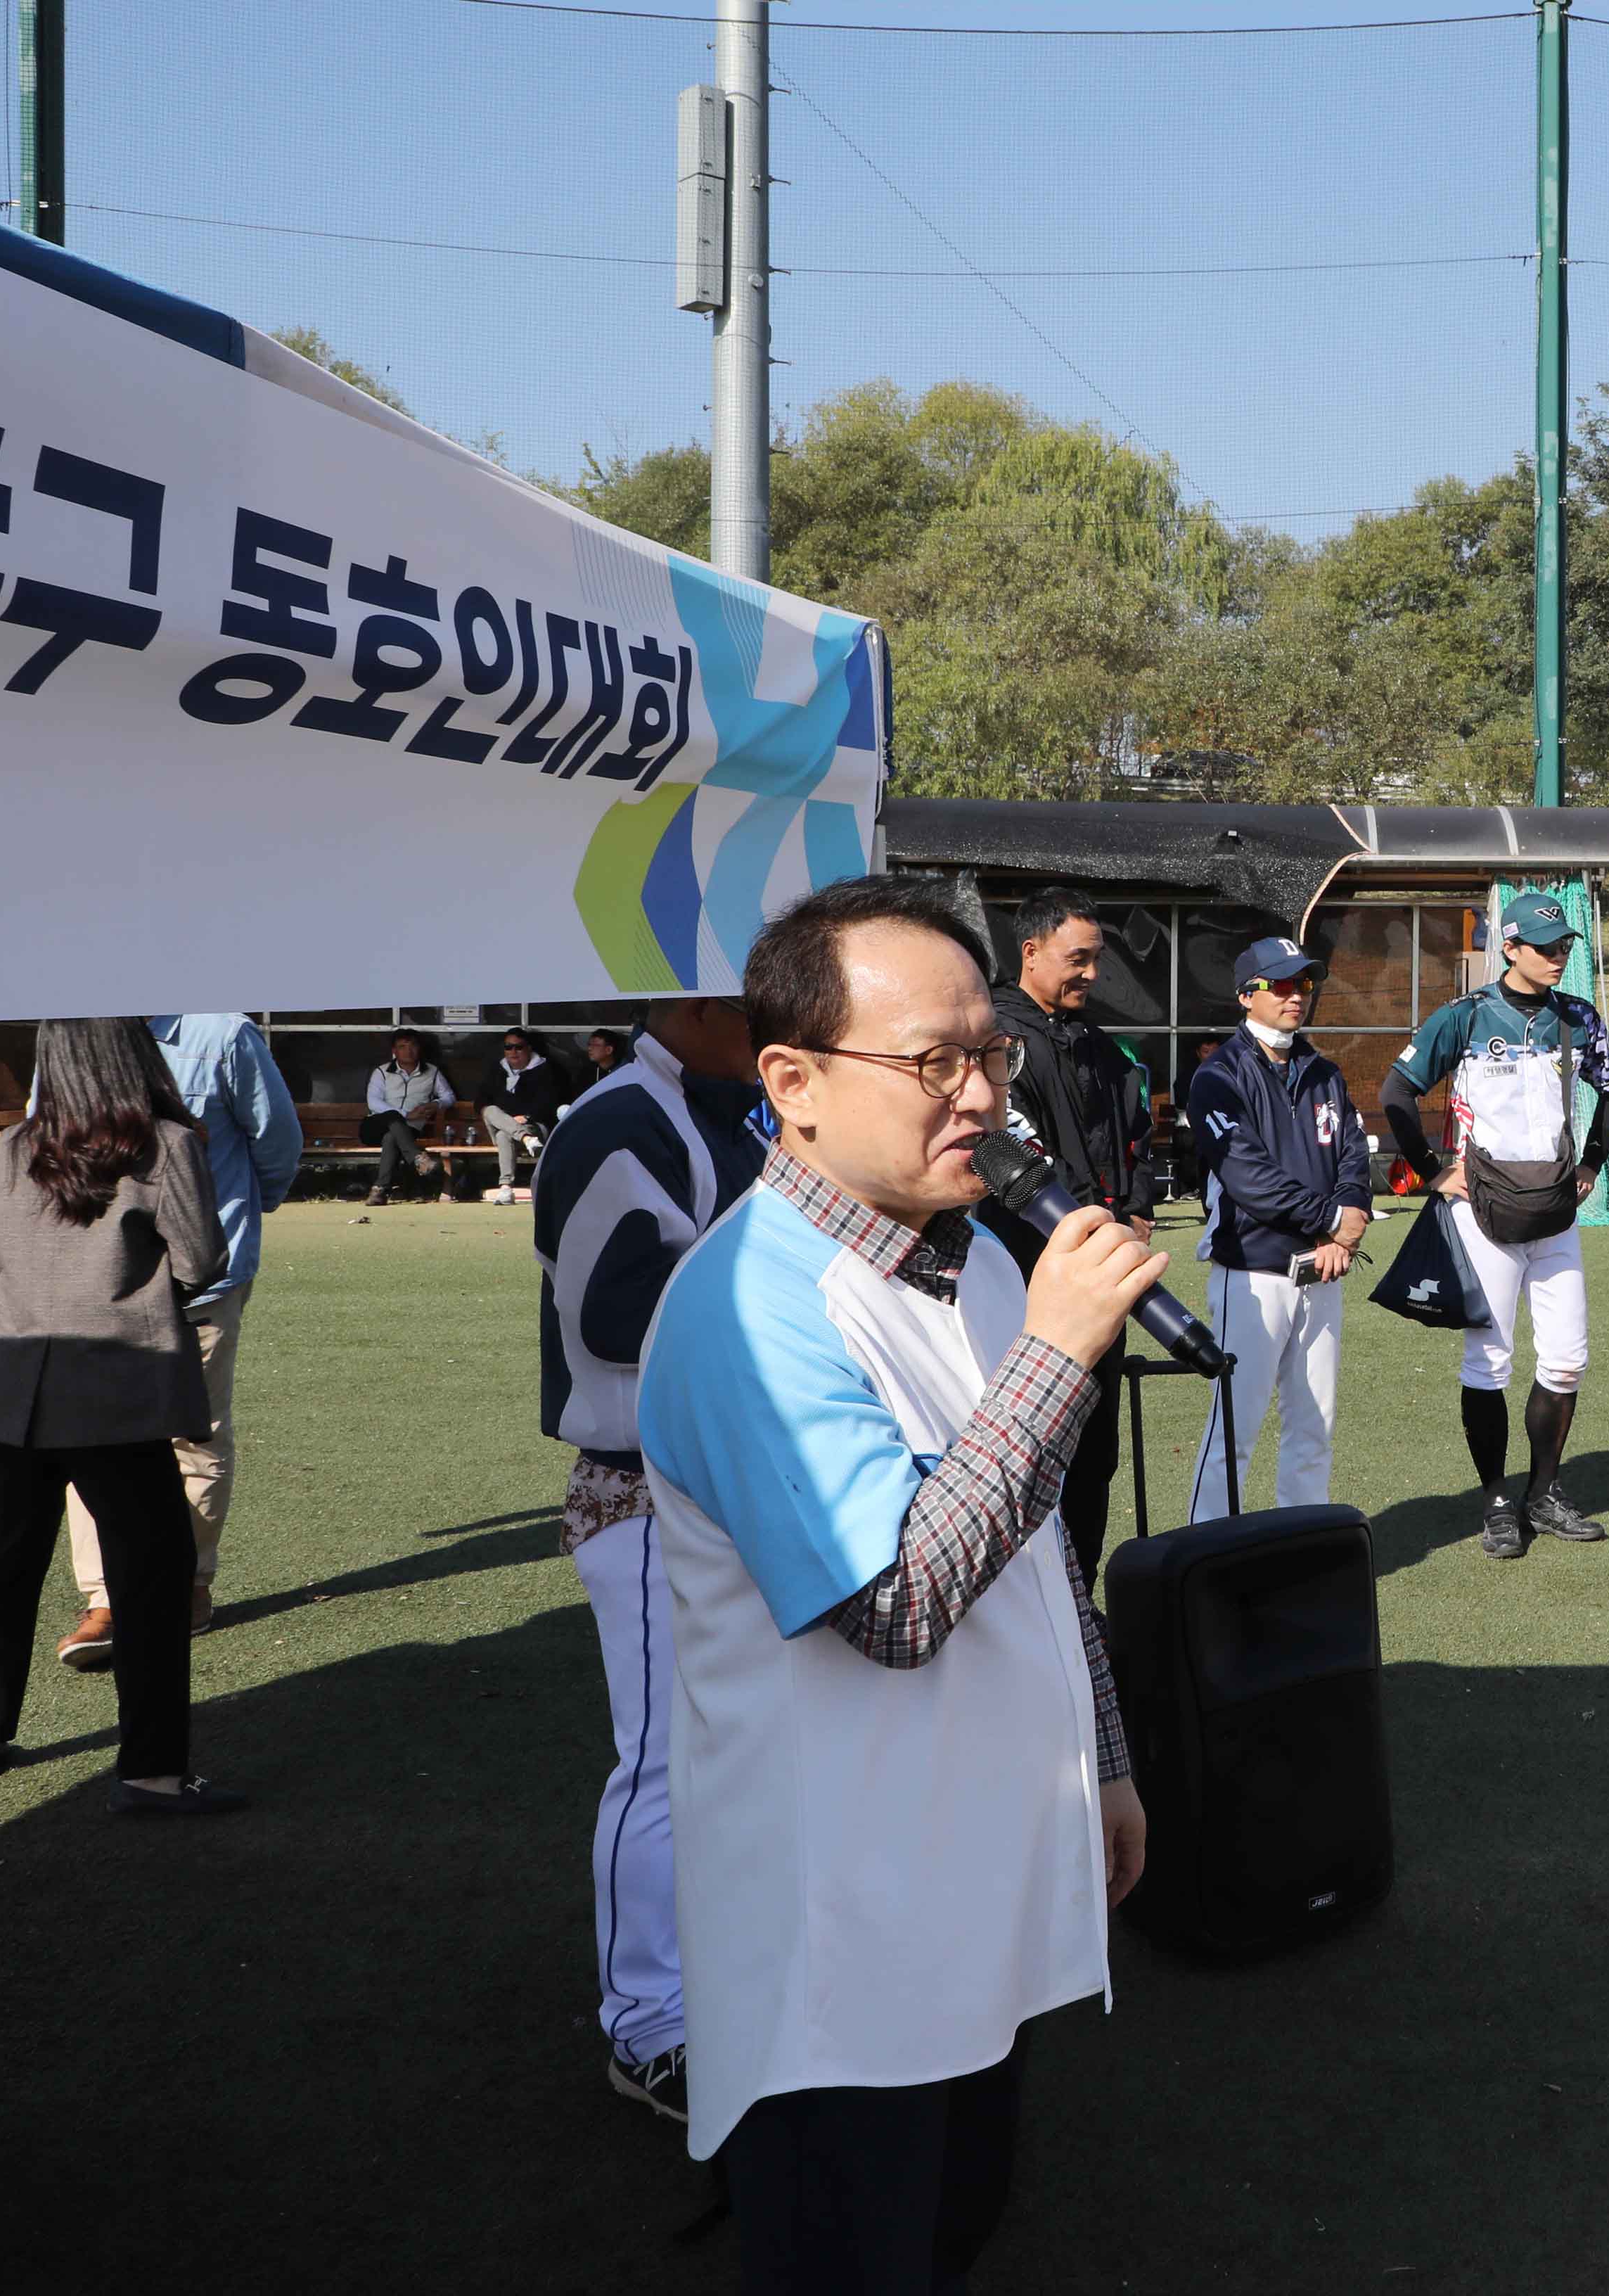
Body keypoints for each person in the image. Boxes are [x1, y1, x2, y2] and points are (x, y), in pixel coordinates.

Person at [634, 874, 1154, 2290]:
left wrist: (1101, 1757)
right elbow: (899, 1607)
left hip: (976, 1889)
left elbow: (1036, 1541)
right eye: (935, 1061)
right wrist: (1058, 1357)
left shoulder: (978, 1256)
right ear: (792, 1082)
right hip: (843, 1945)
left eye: (988, 1052)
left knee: (953, 2230)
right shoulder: (754, 1305)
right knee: (853, 2257)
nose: (983, 1093)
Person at [532, 993, 766, 2126]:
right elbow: (606, 1322)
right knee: (663, 1760)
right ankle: (646, 2023)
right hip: (640, 1482)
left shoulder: (739, 1106)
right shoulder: (618, 1121)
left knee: (739, 1750)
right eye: (752, 991)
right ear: (684, 998)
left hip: (731, 1480)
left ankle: (719, 1980)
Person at [0, 1019, 246, 1814]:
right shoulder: (165, 1143)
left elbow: (5, 1254)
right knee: (151, 1569)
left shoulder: (17, 1147)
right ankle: (152, 1770)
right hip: (116, 1378)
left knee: (12, 1551)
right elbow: (202, 1260)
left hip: (14, 1368)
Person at [1382, 891, 1609, 1560]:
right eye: (1544, 947)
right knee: (1488, 1361)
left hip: (1555, 1211)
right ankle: (1496, 1499)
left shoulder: (1576, 1016)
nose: (1557, 958)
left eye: (1564, 947)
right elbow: (1395, 1092)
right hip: (1481, 1212)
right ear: (1510, 948)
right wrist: (1433, 1169)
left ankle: (1543, 1494)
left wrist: (1592, 1164)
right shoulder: (1462, 1017)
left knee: (1568, 1360)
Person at [53, 1012, 298, 1671]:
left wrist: (238, 1219)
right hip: (96, 1279)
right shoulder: (76, 1025)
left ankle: (184, 1584)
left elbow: (276, 1140)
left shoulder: (222, 1034)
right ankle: (106, 1597)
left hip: (202, 1277)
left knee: (195, 1433)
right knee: (93, 1441)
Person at [992, 889, 1157, 1594]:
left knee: (1095, 1455)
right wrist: (1095, 1230)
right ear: (1030, 952)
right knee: (1029, 1451)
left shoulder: (1098, 1046)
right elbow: (1012, 1158)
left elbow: (1137, 1142)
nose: (1091, 973)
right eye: (1077, 958)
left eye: (1096, 960)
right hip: (1027, 1280)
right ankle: (1024, 1602)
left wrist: (1139, 1213)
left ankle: (1080, 1599)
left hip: (1102, 1281)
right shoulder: (995, 1039)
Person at [1183, 937, 1372, 1520]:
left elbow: (1353, 1158)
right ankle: (1206, 1557)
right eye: (1281, 984)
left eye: (1305, 984)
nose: (1296, 996)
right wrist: (1332, 1222)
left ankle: (1302, 1549)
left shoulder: (1325, 1071)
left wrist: (1341, 1230)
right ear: (1246, 995)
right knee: (1233, 1434)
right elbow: (1248, 1177)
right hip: (1251, 1274)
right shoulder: (1217, 1076)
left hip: (1323, 1271)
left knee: (1314, 1428)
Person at [361, 1028, 457, 1206]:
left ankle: (379, 1191)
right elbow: (373, 1102)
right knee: (392, 1116)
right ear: (394, 1051)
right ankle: (418, 1159)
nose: (408, 1051)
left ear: (419, 1048)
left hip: (409, 1131)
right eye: (402, 1046)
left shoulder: (432, 1072)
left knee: (392, 1138)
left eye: (412, 1046)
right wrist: (406, 1114)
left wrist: (435, 1104)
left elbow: (449, 1097)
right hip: (374, 1127)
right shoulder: (382, 1072)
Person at [478, 1026, 568, 1204]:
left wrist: (526, 1118)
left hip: (533, 1126)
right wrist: (508, 1120)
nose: (513, 1052)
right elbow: (480, 1102)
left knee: (505, 1135)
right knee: (489, 1110)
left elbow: (550, 1105)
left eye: (518, 1047)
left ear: (528, 1048)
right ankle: (526, 1139)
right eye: (508, 1047)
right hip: (503, 1125)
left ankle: (505, 1188)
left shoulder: (546, 1070)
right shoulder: (497, 1070)